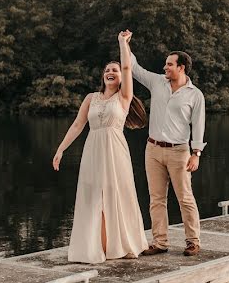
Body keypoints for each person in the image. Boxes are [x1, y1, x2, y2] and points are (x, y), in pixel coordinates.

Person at [53, 31, 149, 263]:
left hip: (115, 150)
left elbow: (128, 69)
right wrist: (61, 149)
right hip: (93, 150)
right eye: (107, 70)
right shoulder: (90, 98)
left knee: (116, 194)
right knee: (93, 195)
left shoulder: (124, 97)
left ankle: (119, 245)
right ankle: (98, 246)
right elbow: (78, 125)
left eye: (114, 70)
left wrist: (122, 44)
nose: (110, 72)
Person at [130, 42, 206, 256]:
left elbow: (198, 126)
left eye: (169, 64)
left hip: (179, 152)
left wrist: (196, 153)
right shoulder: (158, 83)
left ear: (181, 67)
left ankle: (193, 241)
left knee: (185, 198)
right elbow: (135, 69)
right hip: (153, 150)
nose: (165, 68)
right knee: (156, 198)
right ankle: (160, 242)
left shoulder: (195, 95)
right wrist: (125, 44)